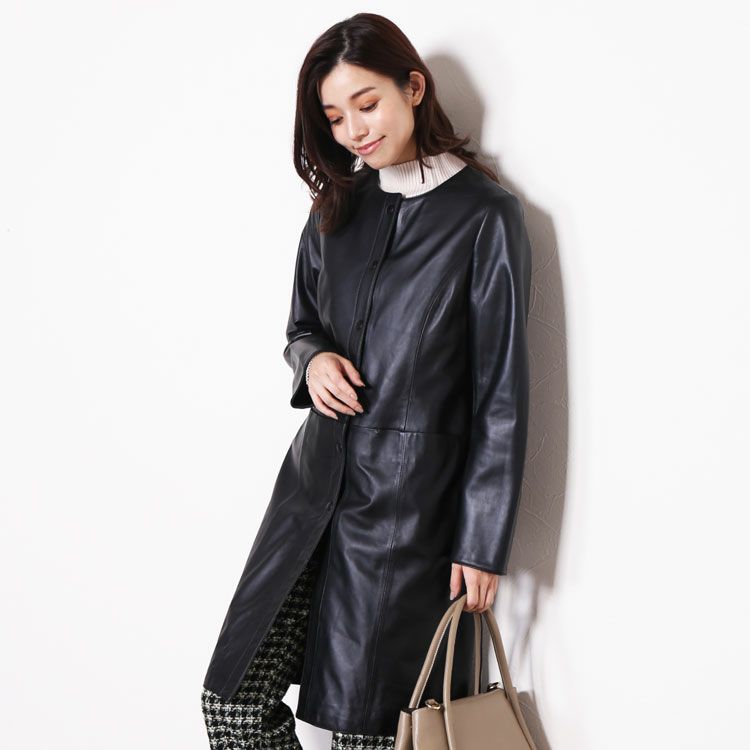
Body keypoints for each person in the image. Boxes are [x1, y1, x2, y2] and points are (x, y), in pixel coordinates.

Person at [200, 12, 533, 750]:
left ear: (413, 88)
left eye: (366, 103)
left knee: (370, 734)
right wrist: (312, 359)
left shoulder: (486, 217)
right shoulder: (335, 208)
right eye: (333, 116)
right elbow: (301, 326)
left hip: (407, 518)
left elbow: (501, 394)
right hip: (310, 496)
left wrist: (483, 540)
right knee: (232, 705)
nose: (353, 130)